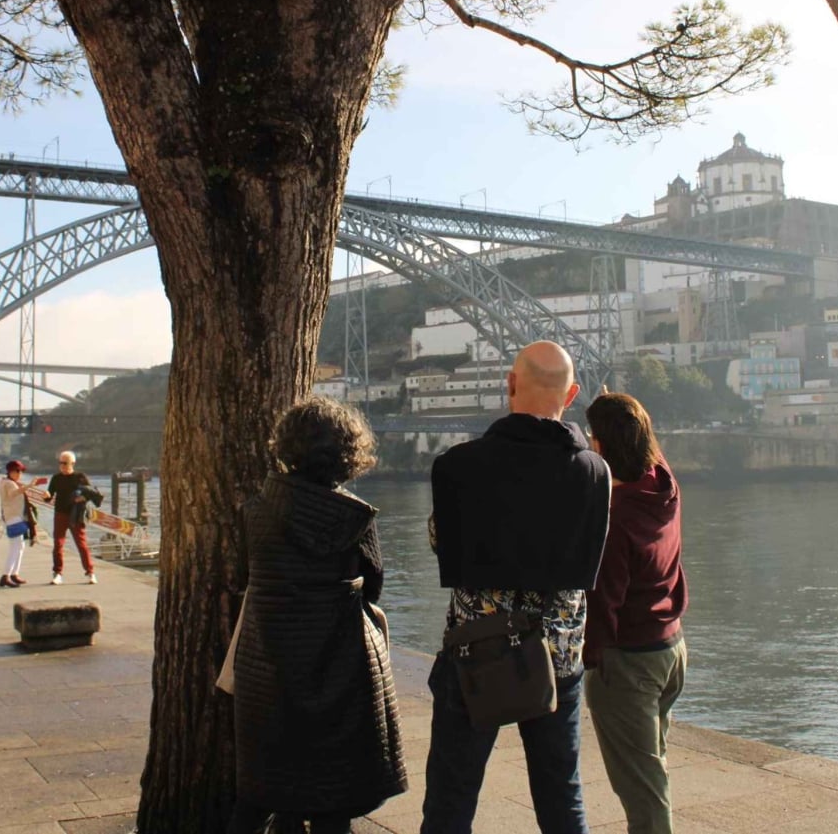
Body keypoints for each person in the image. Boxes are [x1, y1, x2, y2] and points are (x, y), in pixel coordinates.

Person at [421, 341, 612, 834]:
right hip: (559, 654)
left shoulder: (456, 466)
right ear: (570, 395)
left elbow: (444, 544)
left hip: (476, 649)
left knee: (451, 797)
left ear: (509, 383)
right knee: (560, 796)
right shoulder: (596, 472)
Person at [229, 397, 407, 833]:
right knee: (336, 796)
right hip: (341, 663)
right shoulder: (355, 518)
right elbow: (374, 585)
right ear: (349, 452)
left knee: (273, 782)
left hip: (267, 663)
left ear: (287, 447)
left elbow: (241, 576)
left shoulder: (254, 513)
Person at [582, 393, 689, 834]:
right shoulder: (664, 484)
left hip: (628, 661)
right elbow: (645, 444)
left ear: (602, 446)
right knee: (652, 771)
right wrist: (618, 407)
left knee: (643, 791)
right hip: (671, 650)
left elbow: (604, 598)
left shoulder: (615, 514)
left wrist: (591, 660)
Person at [47, 451, 101, 585]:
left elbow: (93, 494)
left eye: (65, 463)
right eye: (60, 463)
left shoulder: (80, 477)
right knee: (58, 544)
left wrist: (84, 497)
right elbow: (49, 497)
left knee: (81, 544)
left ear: (73, 463)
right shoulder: (56, 478)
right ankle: (57, 573)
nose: (62, 466)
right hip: (60, 513)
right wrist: (45, 495)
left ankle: (90, 573)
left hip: (76, 514)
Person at [0, 460, 37, 587]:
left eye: (21, 471)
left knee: (20, 546)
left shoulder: (7, 482)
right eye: (17, 471)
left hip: (14, 516)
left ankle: (14, 573)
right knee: (15, 547)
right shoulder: (8, 483)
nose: (19, 474)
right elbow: (13, 494)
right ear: (10, 472)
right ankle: (6, 575)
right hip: (13, 517)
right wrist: (29, 486)